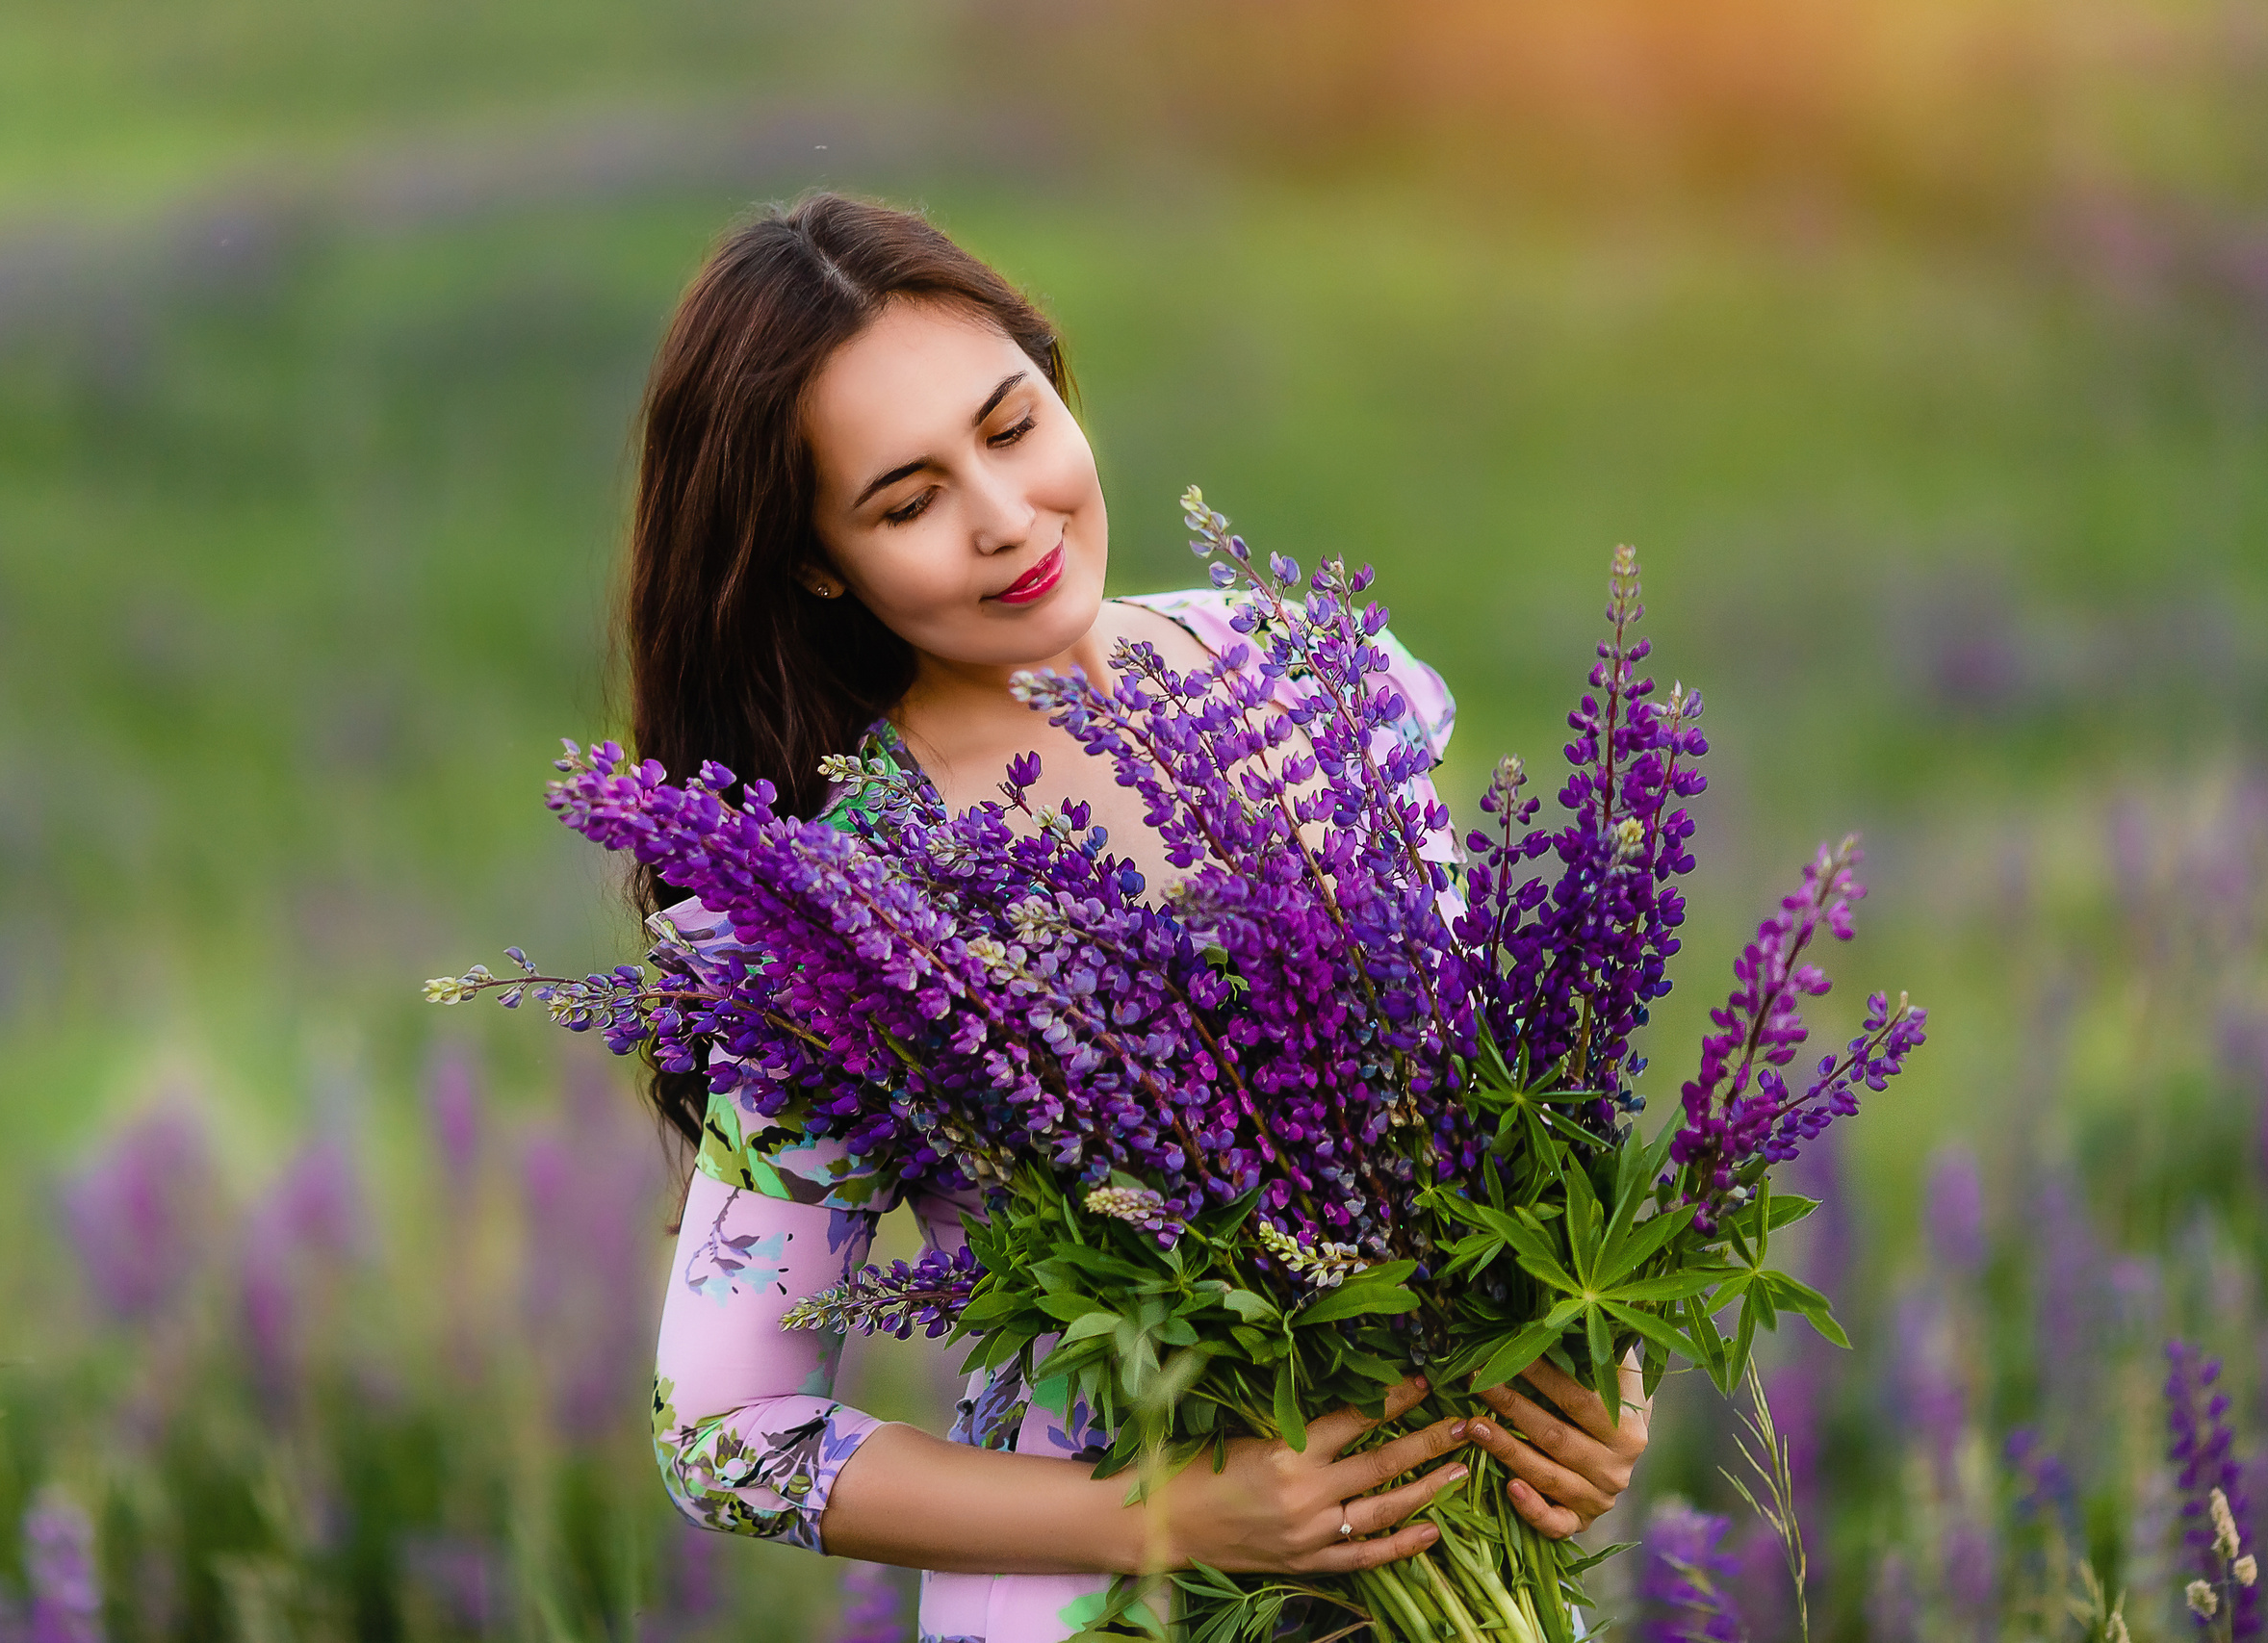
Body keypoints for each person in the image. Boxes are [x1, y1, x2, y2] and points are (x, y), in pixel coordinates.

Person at [628, 193, 1648, 1642]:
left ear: (1059, 384)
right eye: (908, 504)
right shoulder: (845, 905)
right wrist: (1173, 1515)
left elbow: (1495, 1118)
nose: (1005, 518)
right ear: (815, 561)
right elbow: (724, 1433)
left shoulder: (1317, 674)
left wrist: (1590, 1370)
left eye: (1012, 427)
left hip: (1462, 1571)